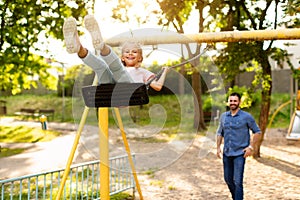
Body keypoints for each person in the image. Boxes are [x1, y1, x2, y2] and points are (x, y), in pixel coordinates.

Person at [62, 15, 168, 91]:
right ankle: (78, 46)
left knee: (118, 69)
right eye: (127, 52)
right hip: (110, 91)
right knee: (101, 67)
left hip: (129, 93)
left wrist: (164, 72)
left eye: (134, 52)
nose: (130, 53)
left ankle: (102, 46)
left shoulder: (143, 72)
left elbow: (157, 87)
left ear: (140, 58)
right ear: (122, 58)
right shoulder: (119, 68)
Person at [216, 92, 261, 200]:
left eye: (235, 101)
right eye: (231, 101)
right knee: (228, 179)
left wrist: (250, 147)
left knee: (238, 181)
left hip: (240, 154)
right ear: (228, 102)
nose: (233, 103)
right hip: (227, 152)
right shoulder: (223, 117)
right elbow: (219, 133)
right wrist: (218, 147)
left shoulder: (246, 117)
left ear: (239, 102)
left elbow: (257, 132)